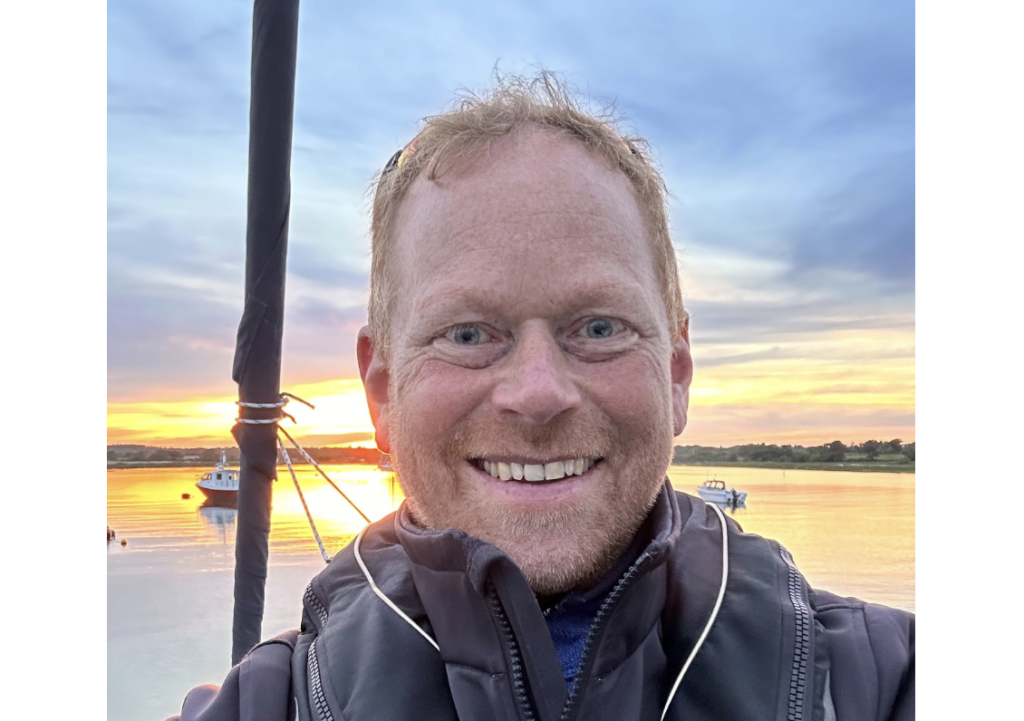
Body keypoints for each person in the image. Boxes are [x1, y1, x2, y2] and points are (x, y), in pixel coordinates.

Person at [170, 73, 914, 721]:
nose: (537, 393)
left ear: (678, 371)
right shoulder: (265, 705)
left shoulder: (883, 683)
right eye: (466, 334)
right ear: (383, 391)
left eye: (598, 326)